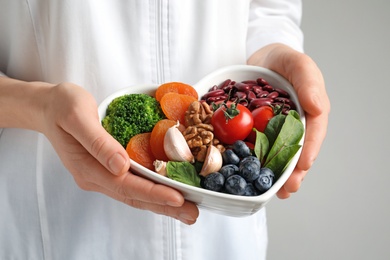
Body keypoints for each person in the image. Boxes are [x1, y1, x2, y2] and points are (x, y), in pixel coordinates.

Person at [0, 1, 330, 259]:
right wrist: (38, 106)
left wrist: (272, 54)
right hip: (56, 220)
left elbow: (268, 8)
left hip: (222, 236)